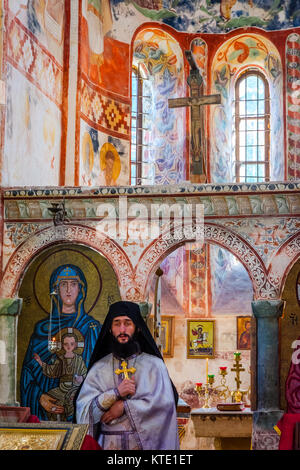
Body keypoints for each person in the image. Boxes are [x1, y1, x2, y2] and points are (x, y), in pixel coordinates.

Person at [75, 301, 180, 450]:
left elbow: (165, 407)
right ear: (110, 329)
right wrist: (115, 393)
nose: (122, 329)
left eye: (127, 323)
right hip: (107, 445)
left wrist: (125, 406)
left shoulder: (155, 366)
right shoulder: (99, 368)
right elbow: (84, 412)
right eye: (117, 323)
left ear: (137, 328)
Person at [20, 264, 101, 421]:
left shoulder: (92, 328)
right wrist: (40, 397)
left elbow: (100, 372)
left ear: (81, 289)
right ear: (55, 289)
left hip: (81, 407)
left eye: (74, 284)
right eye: (63, 284)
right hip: (46, 409)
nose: (69, 290)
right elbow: (28, 373)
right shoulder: (43, 329)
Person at [33, 332, 87, 421]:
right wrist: (40, 362)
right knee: (46, 399)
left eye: (72, 344)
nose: (69, 346)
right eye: (66, 344)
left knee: (73, 401)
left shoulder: (79, 360)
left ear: (76, 345)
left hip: (75, 388)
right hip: (61, 388)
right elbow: (52, 371)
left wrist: (81, 378)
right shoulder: (60, 359)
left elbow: (85, 373)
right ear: (62, 345)